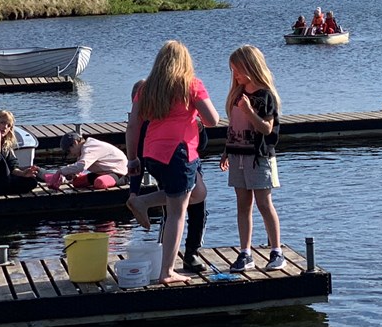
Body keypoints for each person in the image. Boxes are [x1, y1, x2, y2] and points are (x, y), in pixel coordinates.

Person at [126, 41, 219, 284]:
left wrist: (133, 158)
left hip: (153, 154)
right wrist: (195, 114)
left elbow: (133, 125)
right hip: (179, 153)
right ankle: (167, 271)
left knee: (197, 193)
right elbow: (213, 119)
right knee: (177, 212)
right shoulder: (191, 85)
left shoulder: (146, 89)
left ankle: (143, 201)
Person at [219, 45, 284, 272]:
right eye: (233, 70)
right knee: (242, 204)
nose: (235, 74)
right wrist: (227, 150)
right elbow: (234, 126)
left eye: (238, 69)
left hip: (259, 157)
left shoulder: (265, 95)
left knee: (264, 203)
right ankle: (245, 252)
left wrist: (249, 111)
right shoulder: (237, 94)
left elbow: (267, 129)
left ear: (251, 67)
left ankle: (276, 250)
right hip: (238, 155)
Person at [0, 110, 41, 196]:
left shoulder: (4, 144)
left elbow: (12, 166)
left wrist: (23, 173)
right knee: (1, 166)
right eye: (2, 122)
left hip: (1, 181)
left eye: (8, 125)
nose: (5, 127)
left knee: (31, 181)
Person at [44, 132, 128, 190]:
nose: (70, 154)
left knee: (100, 182)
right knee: (77, 183)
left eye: (68, 151)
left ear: (75, 143)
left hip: (119, 173)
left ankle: (126, 180)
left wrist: (60, 171)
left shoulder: (90, 147)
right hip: (102, 172)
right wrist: (70, 175)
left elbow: (81, 166)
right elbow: (78, 165)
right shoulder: (83, 151)